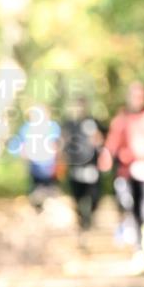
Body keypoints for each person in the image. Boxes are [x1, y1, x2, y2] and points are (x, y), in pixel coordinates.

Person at [99, 81, 144, 271]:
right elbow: (112, 143)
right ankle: (139, 250)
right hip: (128, 170)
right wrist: (106, 157)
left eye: (140, 95)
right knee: (132, 209)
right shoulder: (122, 120)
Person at [60, 96, 106, 239]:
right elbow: (63, 143)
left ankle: (88, 218)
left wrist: (98, 142)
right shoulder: (69, 125)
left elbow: (102, 141)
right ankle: (82, 222)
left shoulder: (93, 123)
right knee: (77, 198)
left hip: (91, 168)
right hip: (75, 168)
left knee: (94, 197)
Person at [8, 104, 61, 210]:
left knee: (51, 195)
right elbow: (16, 146)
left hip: (50, 169)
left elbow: (59, 144)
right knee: (36, 198)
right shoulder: (26, 129)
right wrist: (22, 152)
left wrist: (58, 154)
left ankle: (48, 210)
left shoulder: (53, 127)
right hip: (34, 168)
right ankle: (39, 210)